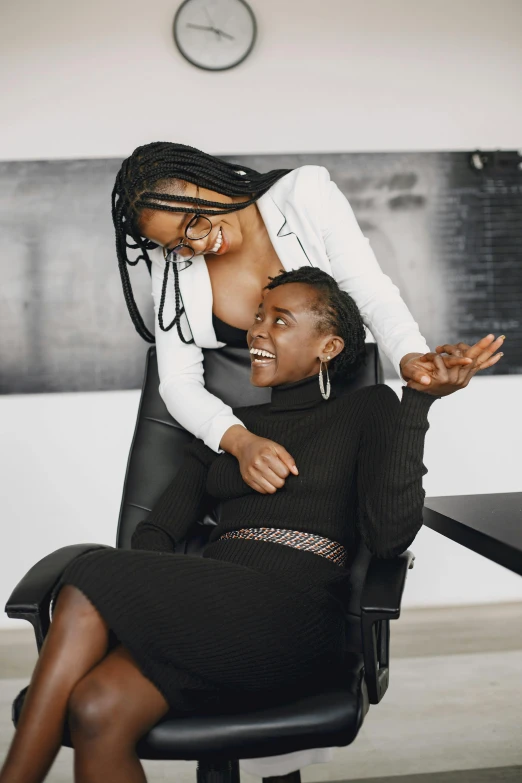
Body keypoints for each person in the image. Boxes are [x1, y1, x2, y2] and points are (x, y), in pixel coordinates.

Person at [0, 268, 504, 783]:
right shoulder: (229, 430)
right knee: (96, 708)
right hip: (214, 610)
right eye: (259, 316)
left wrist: (417, 403)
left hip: (293, 612)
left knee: (88, 572)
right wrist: (174, 602)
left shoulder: (369, 408)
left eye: (280, 321)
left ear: (327, 347)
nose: (257, 331)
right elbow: (154, 534)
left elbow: (389, 536)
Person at [111, 141, 468, 496]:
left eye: (194, 223)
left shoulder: (305, 196)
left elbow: (371, 294)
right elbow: (177, 380)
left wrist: (410, 356)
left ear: (206, 179)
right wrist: (239, 442)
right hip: (233, 431)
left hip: (333, 416)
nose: (197, 246)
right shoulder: (173, 261)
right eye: (176, 243)